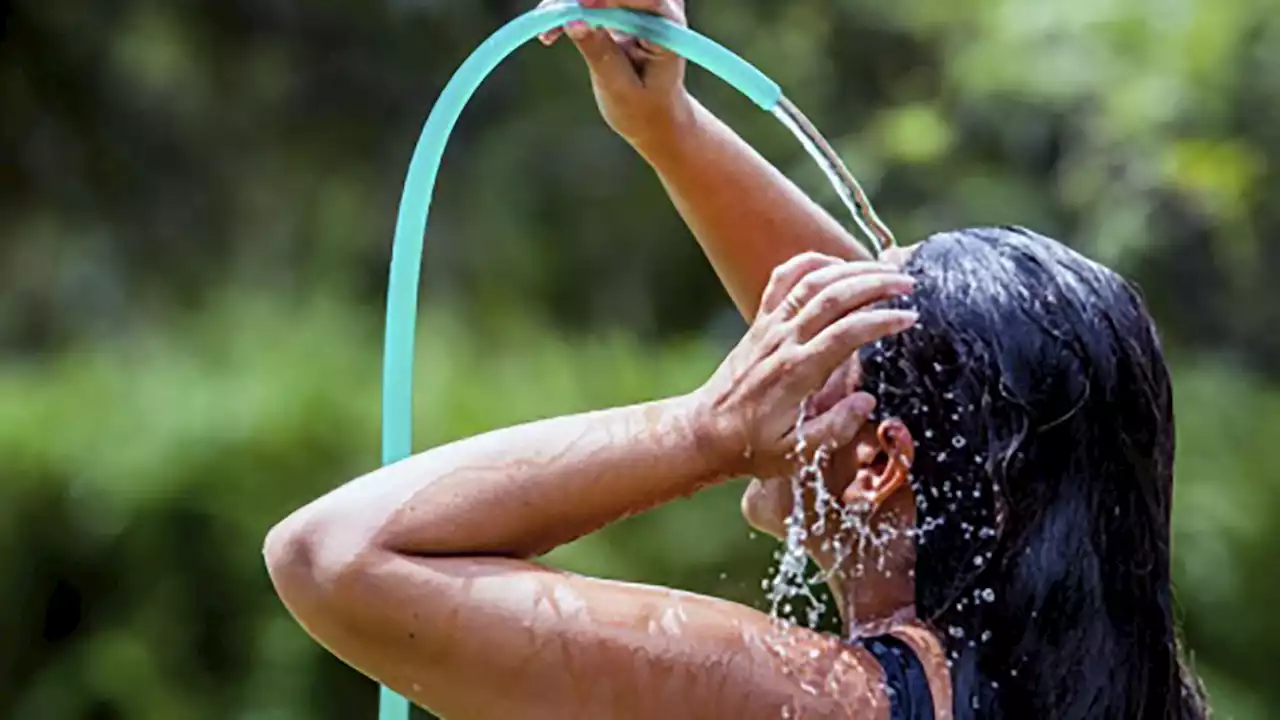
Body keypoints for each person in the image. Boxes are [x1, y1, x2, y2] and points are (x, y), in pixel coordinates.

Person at [263, 1, 1210, 717]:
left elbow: (333, 554)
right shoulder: (1089, 683)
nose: (777, 353)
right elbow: (926, 367)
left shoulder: (833, 703)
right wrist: (668, 128)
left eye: (806, 350)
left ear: (879, 463)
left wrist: (702, 431)